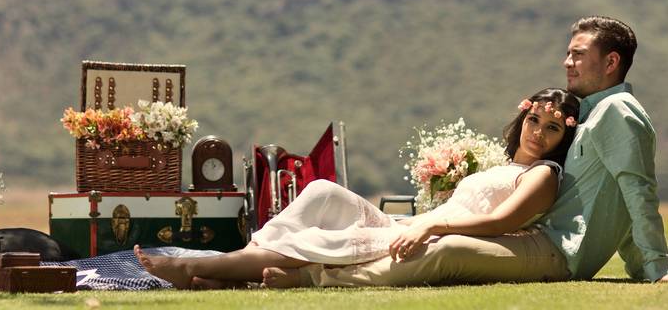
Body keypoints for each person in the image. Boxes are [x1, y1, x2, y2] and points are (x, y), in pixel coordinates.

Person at [266, 16, 668, 287]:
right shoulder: (594, 115)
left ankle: (312, 275)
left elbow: (636, 192)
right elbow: (614, 204)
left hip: (557, 254)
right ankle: (284, 258)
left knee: (446, 250)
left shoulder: (617, 111)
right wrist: (641, 267)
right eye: (568, 53)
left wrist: (655, 268)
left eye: (578, 54)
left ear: (611, 62)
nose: (567, 62)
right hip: (536, 240)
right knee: (435, 237)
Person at [134, 87, 580, 289]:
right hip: (411, 224)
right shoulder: (497, 165)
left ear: (562, 141)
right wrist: (423, 219)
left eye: (553, 129)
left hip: (429, 233)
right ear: (523, 118)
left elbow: (503, 221)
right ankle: (241, 264)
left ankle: (201, 269)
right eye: (534, 120)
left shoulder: (542, 175)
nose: (538, 133)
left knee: (325, 237)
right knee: (324, 191)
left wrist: (431, 227)